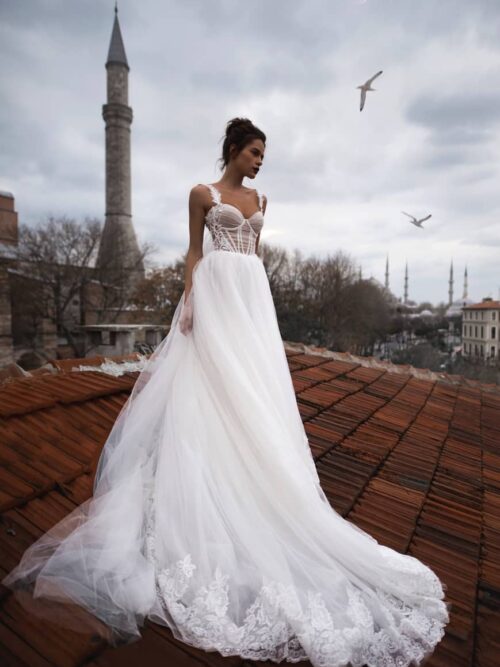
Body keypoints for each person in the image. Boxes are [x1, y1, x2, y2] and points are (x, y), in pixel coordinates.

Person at [2, 117, 450, 667]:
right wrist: (189, 300)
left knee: (254, 389)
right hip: (213, 294)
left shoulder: (261, 199)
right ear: (234, 149)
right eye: (255, 152)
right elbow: (195, 252)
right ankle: (213, 479)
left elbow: (254, 256)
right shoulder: (202, 194)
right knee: (211, 390)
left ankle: (263, 477)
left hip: (250, 299)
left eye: (264, 155)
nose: (261, 162)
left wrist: (261, 317)